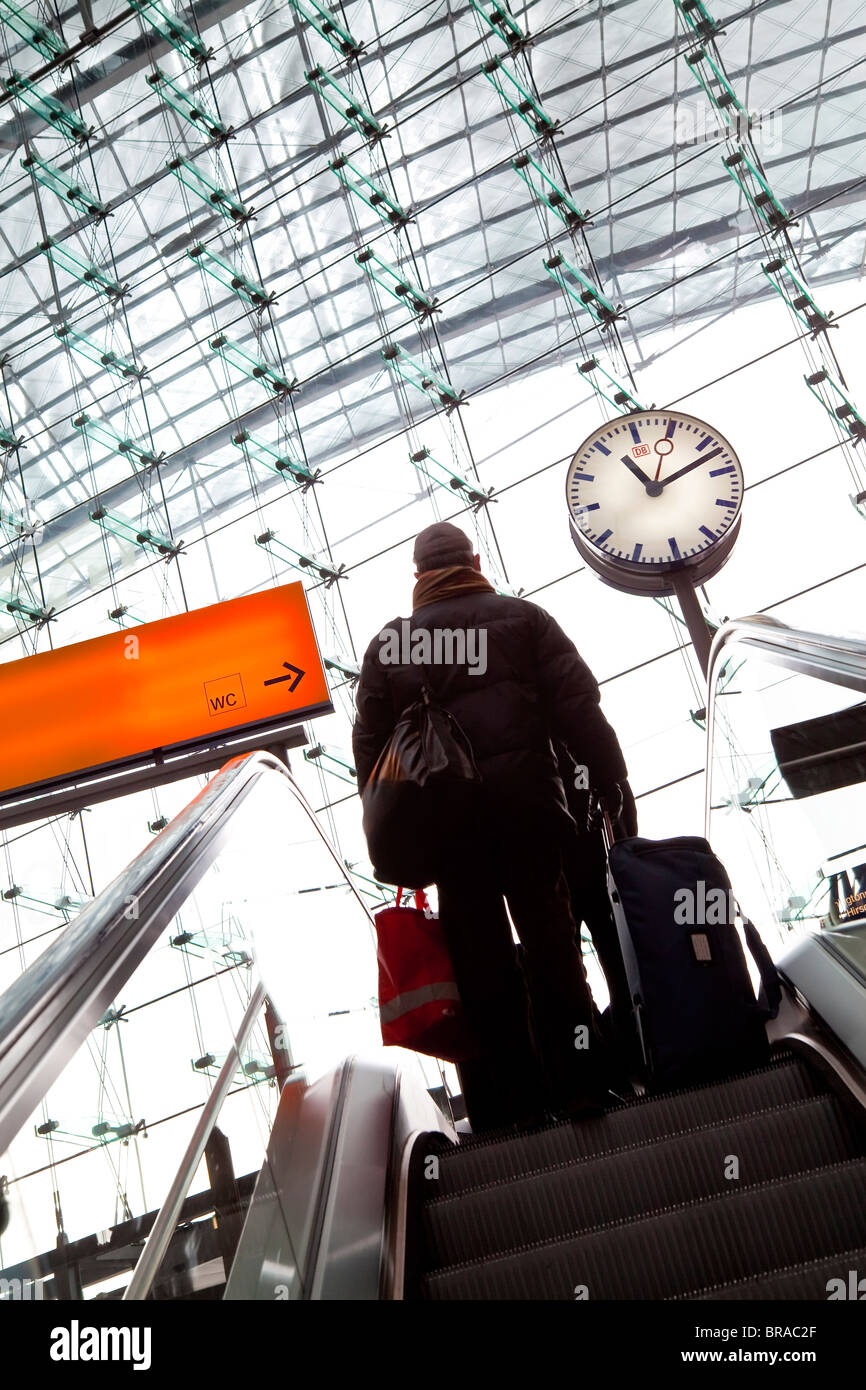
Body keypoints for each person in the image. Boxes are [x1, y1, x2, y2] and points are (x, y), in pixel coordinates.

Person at [352, 522, 631, 1132]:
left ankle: (518, 1107)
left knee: (483, 970)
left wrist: (396, 837)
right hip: (530, 813)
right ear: (474, 559)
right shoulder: (524, 620)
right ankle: (583, 1085)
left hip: (450, 834)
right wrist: (611, 786)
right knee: (555, 954)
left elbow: (371, 756)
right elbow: (581, 711)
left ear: (418, 576)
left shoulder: (392, 646)